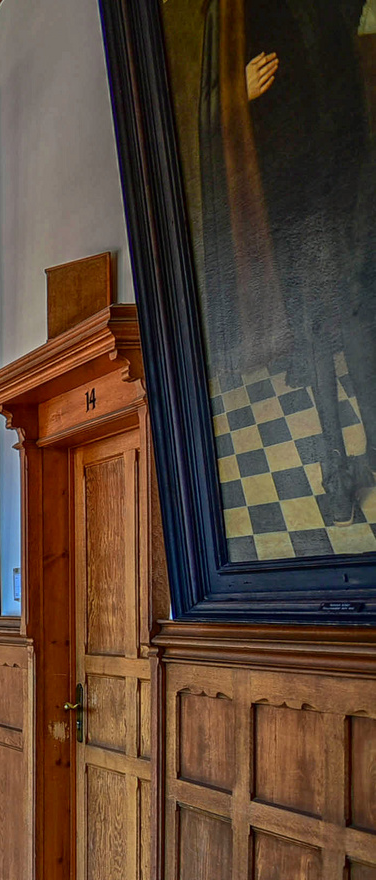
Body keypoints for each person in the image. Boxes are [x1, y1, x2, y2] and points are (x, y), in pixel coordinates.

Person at [193, 0, 376, 524]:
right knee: (317, 327)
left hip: (351, 179)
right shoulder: (227, 12)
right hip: (295, 198)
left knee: (363, 314)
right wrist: (236, 93)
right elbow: (204, 109)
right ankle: (337, 474)